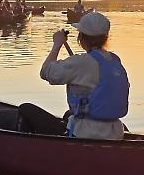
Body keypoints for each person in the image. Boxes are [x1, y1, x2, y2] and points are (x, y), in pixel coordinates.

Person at [17, 11, 128, 140]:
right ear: (106, 37)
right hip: (115, 132)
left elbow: (46, 72)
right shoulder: (114, 60)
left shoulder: (81, 62)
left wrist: (57, 45)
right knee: (68, 114)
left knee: (25, 109)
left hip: (87, 134)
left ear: (82, 38)